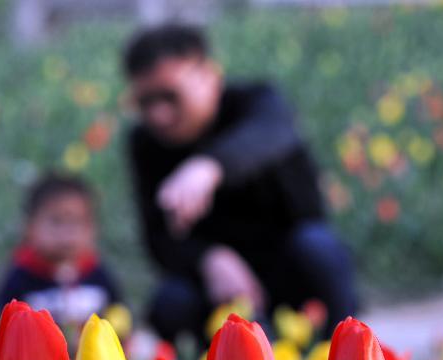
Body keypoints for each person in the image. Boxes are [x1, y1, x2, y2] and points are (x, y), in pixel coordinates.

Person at [123, 23, 356, 343]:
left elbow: (273, 132)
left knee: (319, 249)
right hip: (217, 290)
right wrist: (209, 258)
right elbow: (159, 238)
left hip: (288, 270)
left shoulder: (259, 103)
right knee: (169, 301)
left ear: (210, 76)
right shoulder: (146, 144)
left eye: (170, 96)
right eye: (145, 102)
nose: (158, 115)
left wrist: (210, 166)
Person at [0, 173, 123, 328]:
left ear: (92, 229)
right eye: (56, 222)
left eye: (77, 222)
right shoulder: (20, 276)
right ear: (29, 227)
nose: (67, 232)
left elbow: (120, 318)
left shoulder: (98, 274)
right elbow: (0, 324)